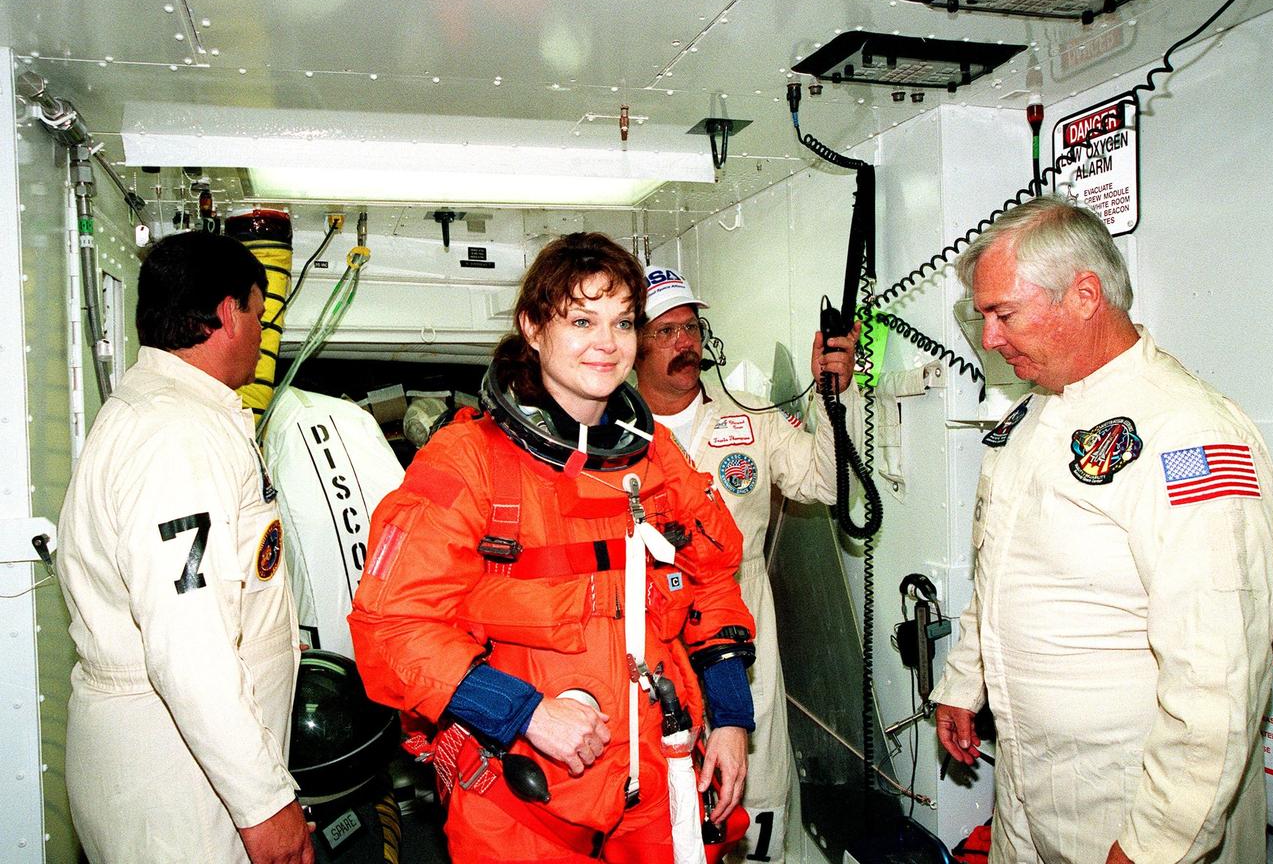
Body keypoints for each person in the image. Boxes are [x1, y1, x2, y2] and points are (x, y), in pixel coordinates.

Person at [348, 232, 759, 864]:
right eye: (581, 319)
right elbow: (393, 624)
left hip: (661, 782)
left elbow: (713, 577)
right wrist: (525, 714)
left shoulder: (657, 460)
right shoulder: (470, 461)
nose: (608, 341)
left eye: (623, 322)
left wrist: (730, 715)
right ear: (533, 327)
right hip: (524, 802)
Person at [931, 195, 1273, 864]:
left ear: (1085, 295)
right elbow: (997, 569)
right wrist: (962, 682)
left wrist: (1156, 846)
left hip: (1130, 802)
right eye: (985, 319)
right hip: (1029, 785)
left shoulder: (1190, 434)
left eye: (1004, 314)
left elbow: (1218, 682)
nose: (991, 340)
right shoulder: (1032, 418)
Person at [56, 232, 312, 863]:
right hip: (182, 785)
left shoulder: (173, 414)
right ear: (229, 312)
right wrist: (265, 806)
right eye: (260, 313)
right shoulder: (173, 438)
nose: (260, 332)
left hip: (196, 766)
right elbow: (188, 644)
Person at [632, 265, 861, 863]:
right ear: (632, 345)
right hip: (648, 637)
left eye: (691, 328)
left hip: (743, 622)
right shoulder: (611, 431)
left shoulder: (752, 416)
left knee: (757, 798)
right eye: (666, 331)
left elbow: (829, 484)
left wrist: (841, 396)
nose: (685, 342)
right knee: (660, 802)